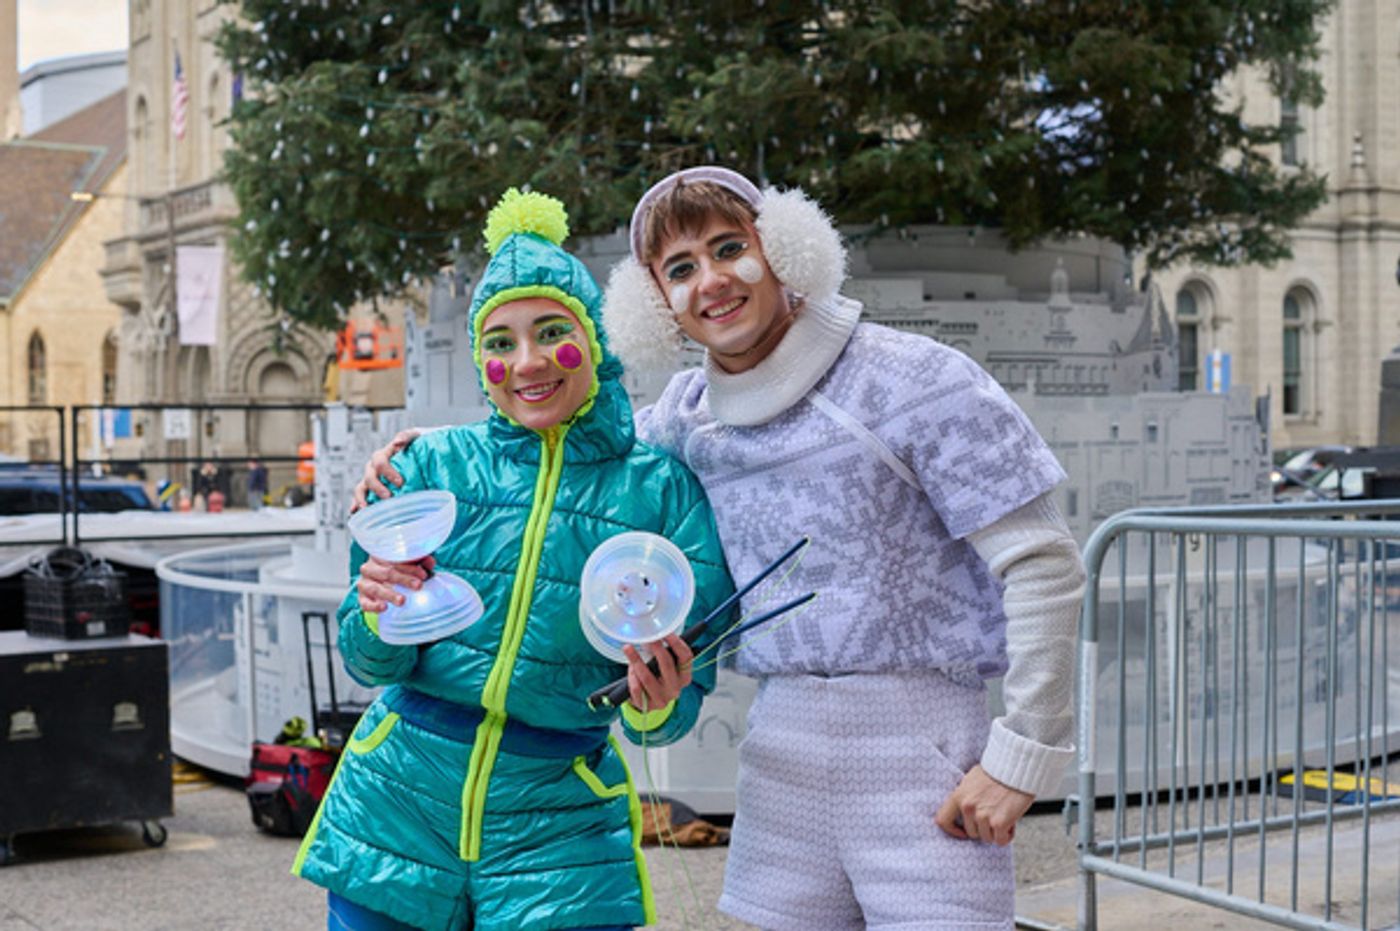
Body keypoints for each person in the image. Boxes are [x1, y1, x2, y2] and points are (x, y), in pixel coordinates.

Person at [357, 167, 1085, 930]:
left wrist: (1023, 754)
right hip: (781, 756)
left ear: (783, 249)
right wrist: (423, 452)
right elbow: (570, 442)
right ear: (657, 303)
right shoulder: (684, 417)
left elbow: (1041, 559)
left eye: (729, 247)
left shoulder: (915, 377)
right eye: (679, 268)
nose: (711, 281)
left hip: (922, 743)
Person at [298, 188, 734, 931]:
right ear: (480, 359)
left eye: (551, 332)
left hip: (559, 827)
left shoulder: (661, 492)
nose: (527, 362)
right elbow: (369, 661)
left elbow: (675, 709)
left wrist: (660, 699)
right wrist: (373, 617)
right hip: (398, 807)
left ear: (593, 339)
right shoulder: (428, 465)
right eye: (500, 342)